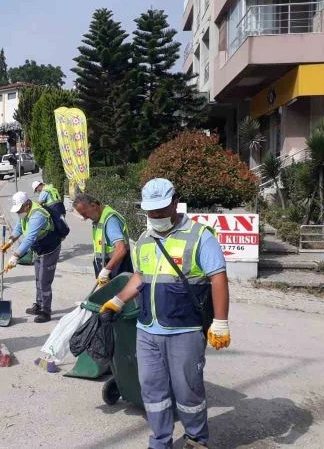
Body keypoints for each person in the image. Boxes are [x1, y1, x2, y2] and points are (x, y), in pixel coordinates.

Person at [99, 178, 231, 449]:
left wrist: (220, 322)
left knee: (188, 391)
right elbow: (139, 277)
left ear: (174, 202)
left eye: (161, 209)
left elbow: (218, 278)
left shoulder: (199, 236)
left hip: (185, 329)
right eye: (151, 211)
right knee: (152, 390)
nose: (156, 216)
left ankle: (196, 438)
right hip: (147, 330)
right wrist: (117, 300)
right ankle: (160, 441)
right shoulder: (145, 240)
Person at [0, 191, 62, 323]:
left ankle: (46, 311)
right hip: (39, 248)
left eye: (20, 209)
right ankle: (39, 305)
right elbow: (19, 228)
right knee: (38, 278)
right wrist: (10, 242)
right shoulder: (25, 212)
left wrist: (15, 256)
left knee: (44, 281)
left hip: (49, 248)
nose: (18, 213)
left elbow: (29, 238)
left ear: (27, 205)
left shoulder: (37, 215)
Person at [72, 193, 133, 286]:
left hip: (117, 271)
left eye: (85, 213)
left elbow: (121, 249)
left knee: (117, 299)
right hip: (109, 269)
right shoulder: (100, 219)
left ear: (93, 205)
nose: (85, 217)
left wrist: (106, 270)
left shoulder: (110, 220)